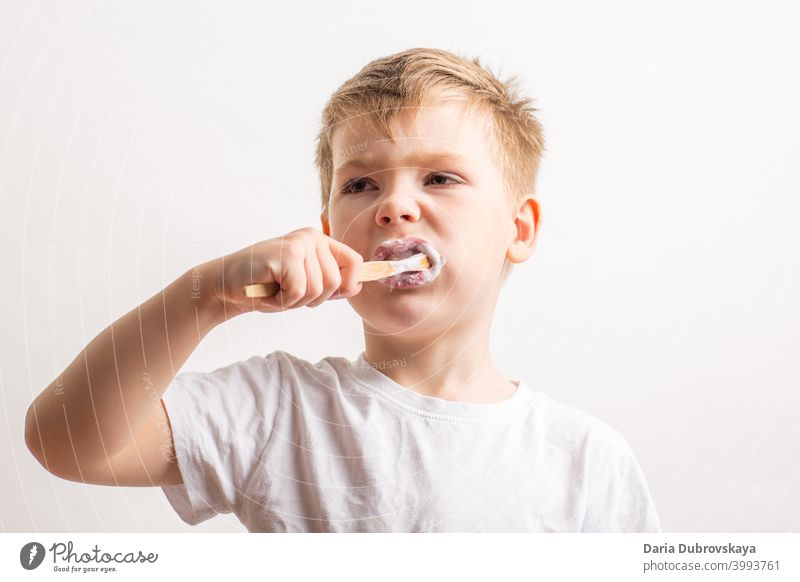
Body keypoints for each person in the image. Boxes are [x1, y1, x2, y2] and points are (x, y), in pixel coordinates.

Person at [25, 47, 660, 532]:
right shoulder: (277, 409)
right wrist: (204, 295)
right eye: (360, 185)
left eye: (439, 178)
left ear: (517, 231)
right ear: (330, 235)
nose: (393, 207)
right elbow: (67, 443)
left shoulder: (586, 460)